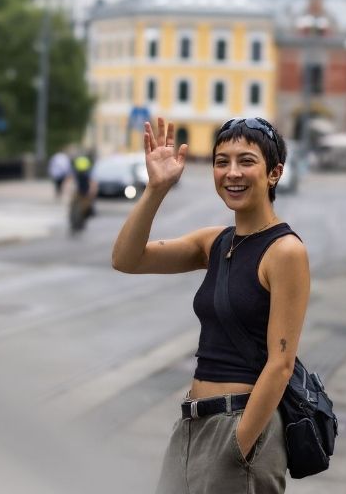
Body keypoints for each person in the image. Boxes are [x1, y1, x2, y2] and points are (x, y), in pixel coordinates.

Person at [112, 117, 309, 493]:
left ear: (274, 173)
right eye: (222, 161)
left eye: (246, 161)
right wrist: (155, 189)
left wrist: (239, 443)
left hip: (239, 427)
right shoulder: (216, 242)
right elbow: (127, 259)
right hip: (193, 424)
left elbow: (280, 365)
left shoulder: (285, 251)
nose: (232, 172)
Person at [67, 150, 96, 236]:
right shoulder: (87, 171)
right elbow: (92, 183)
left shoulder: (78, 171)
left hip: (82, 192)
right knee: (79, 209)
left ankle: (77, 224)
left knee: (79, 208)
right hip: (82, 192)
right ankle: (78, 224)